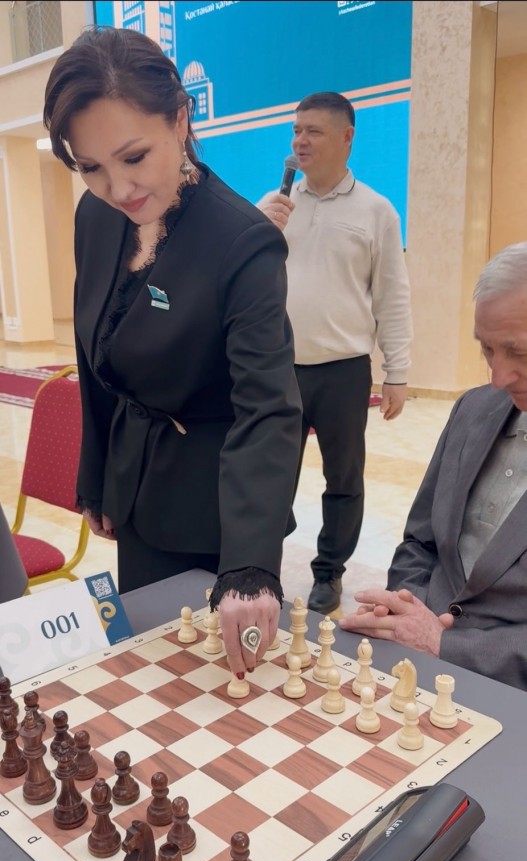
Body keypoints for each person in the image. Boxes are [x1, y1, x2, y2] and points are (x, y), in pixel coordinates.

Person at [42, 26, 302, 677]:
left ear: (181, 119)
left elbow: (267, 407)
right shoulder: (95, 217)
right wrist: (96, 476)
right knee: (148, 678)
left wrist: (249, 566)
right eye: (90, 168)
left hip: (215, 505)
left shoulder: (240, 241)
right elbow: (93, 354)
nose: (118, 188)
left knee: (213, 692)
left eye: (134, 156)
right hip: (134, 489)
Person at [340, 242, 527, 691]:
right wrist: (406, 609)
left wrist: (444, 644)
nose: (498, 377)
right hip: (417, 661)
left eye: (519, 352)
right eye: (487, 350)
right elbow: (420, 541)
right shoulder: (474, 408)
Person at [259, 92, 412, 615]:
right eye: (296, 130)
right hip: (279, 367)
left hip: (344, 370)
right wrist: (257, 230)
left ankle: (329, 572)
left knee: (343, 479)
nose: (300, 141)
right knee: (269, 473)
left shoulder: (375, 210)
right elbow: (240, 280)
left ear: (347, 138)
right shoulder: (276, 203)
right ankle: (262, 564)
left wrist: (397, 371)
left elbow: (392, 295)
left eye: (313, 131)